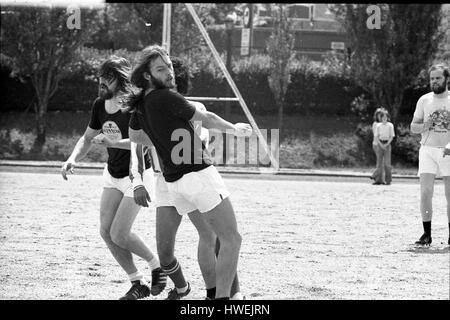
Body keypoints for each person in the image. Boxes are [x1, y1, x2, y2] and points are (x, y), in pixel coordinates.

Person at [128, 45, 252, 300]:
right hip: (198, 174)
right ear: (148, 75)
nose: (169, 73)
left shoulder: (141, 105)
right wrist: (235, 128)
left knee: (211, 237)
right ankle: (225, 299)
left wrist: (162, 138)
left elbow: (135, 136)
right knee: (231, 239)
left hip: (174, 184)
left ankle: (214, 294)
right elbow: (207, 118)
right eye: (161, 69)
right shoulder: (166, 97)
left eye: (169, 67)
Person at [60, 56, 166, 300]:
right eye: (100, 78)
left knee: (119, 233)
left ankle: (157, 266)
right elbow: (86, 138)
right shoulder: (99, 105)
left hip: (137, 175)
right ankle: (137, 282)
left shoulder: (133, 106)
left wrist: (115, 142)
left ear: (119, 79)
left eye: (106, 78)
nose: (101, 83)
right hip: (113, 173)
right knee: (106, 232)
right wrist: (73, 158)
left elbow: (147, 141)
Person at [410, 63, 450, 246]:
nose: (434, 81)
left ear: (447, 79)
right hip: (427, 150)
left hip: (448, 151)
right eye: (432, 78)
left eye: (438, 78)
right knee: (426, 192)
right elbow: (413, 127)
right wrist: (424, 126)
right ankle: (427, 234)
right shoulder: (424, 100)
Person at [372, 109, 395, 185]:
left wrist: (386, 144)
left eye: (386, 117)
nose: (384, 119)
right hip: (380, 143)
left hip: (387, 143)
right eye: (383, 117)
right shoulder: (378, 125)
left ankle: (388, 180)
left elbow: (391, 136)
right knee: (379, 163)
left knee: (387, 163)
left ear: (387, 117)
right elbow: (376, 136)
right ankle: (378, 179)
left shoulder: (390, 125)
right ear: (381, 118)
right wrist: (381, 144)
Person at [370, 108, 384, 183]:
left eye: (381, 115)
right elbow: (377, 135)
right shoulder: (376, 124)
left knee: (381, 162)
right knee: (380, 162)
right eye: (378, 115)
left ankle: (379, 180)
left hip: (381, 144)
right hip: (377, 144)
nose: (380, 117)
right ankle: (374, 175)